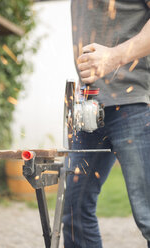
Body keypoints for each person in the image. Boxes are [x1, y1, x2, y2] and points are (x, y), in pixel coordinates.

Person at [62, 0, 150, 247]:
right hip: (88, 108)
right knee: (74, 212)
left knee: (148, 216)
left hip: (137, 104)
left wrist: (114, 56)